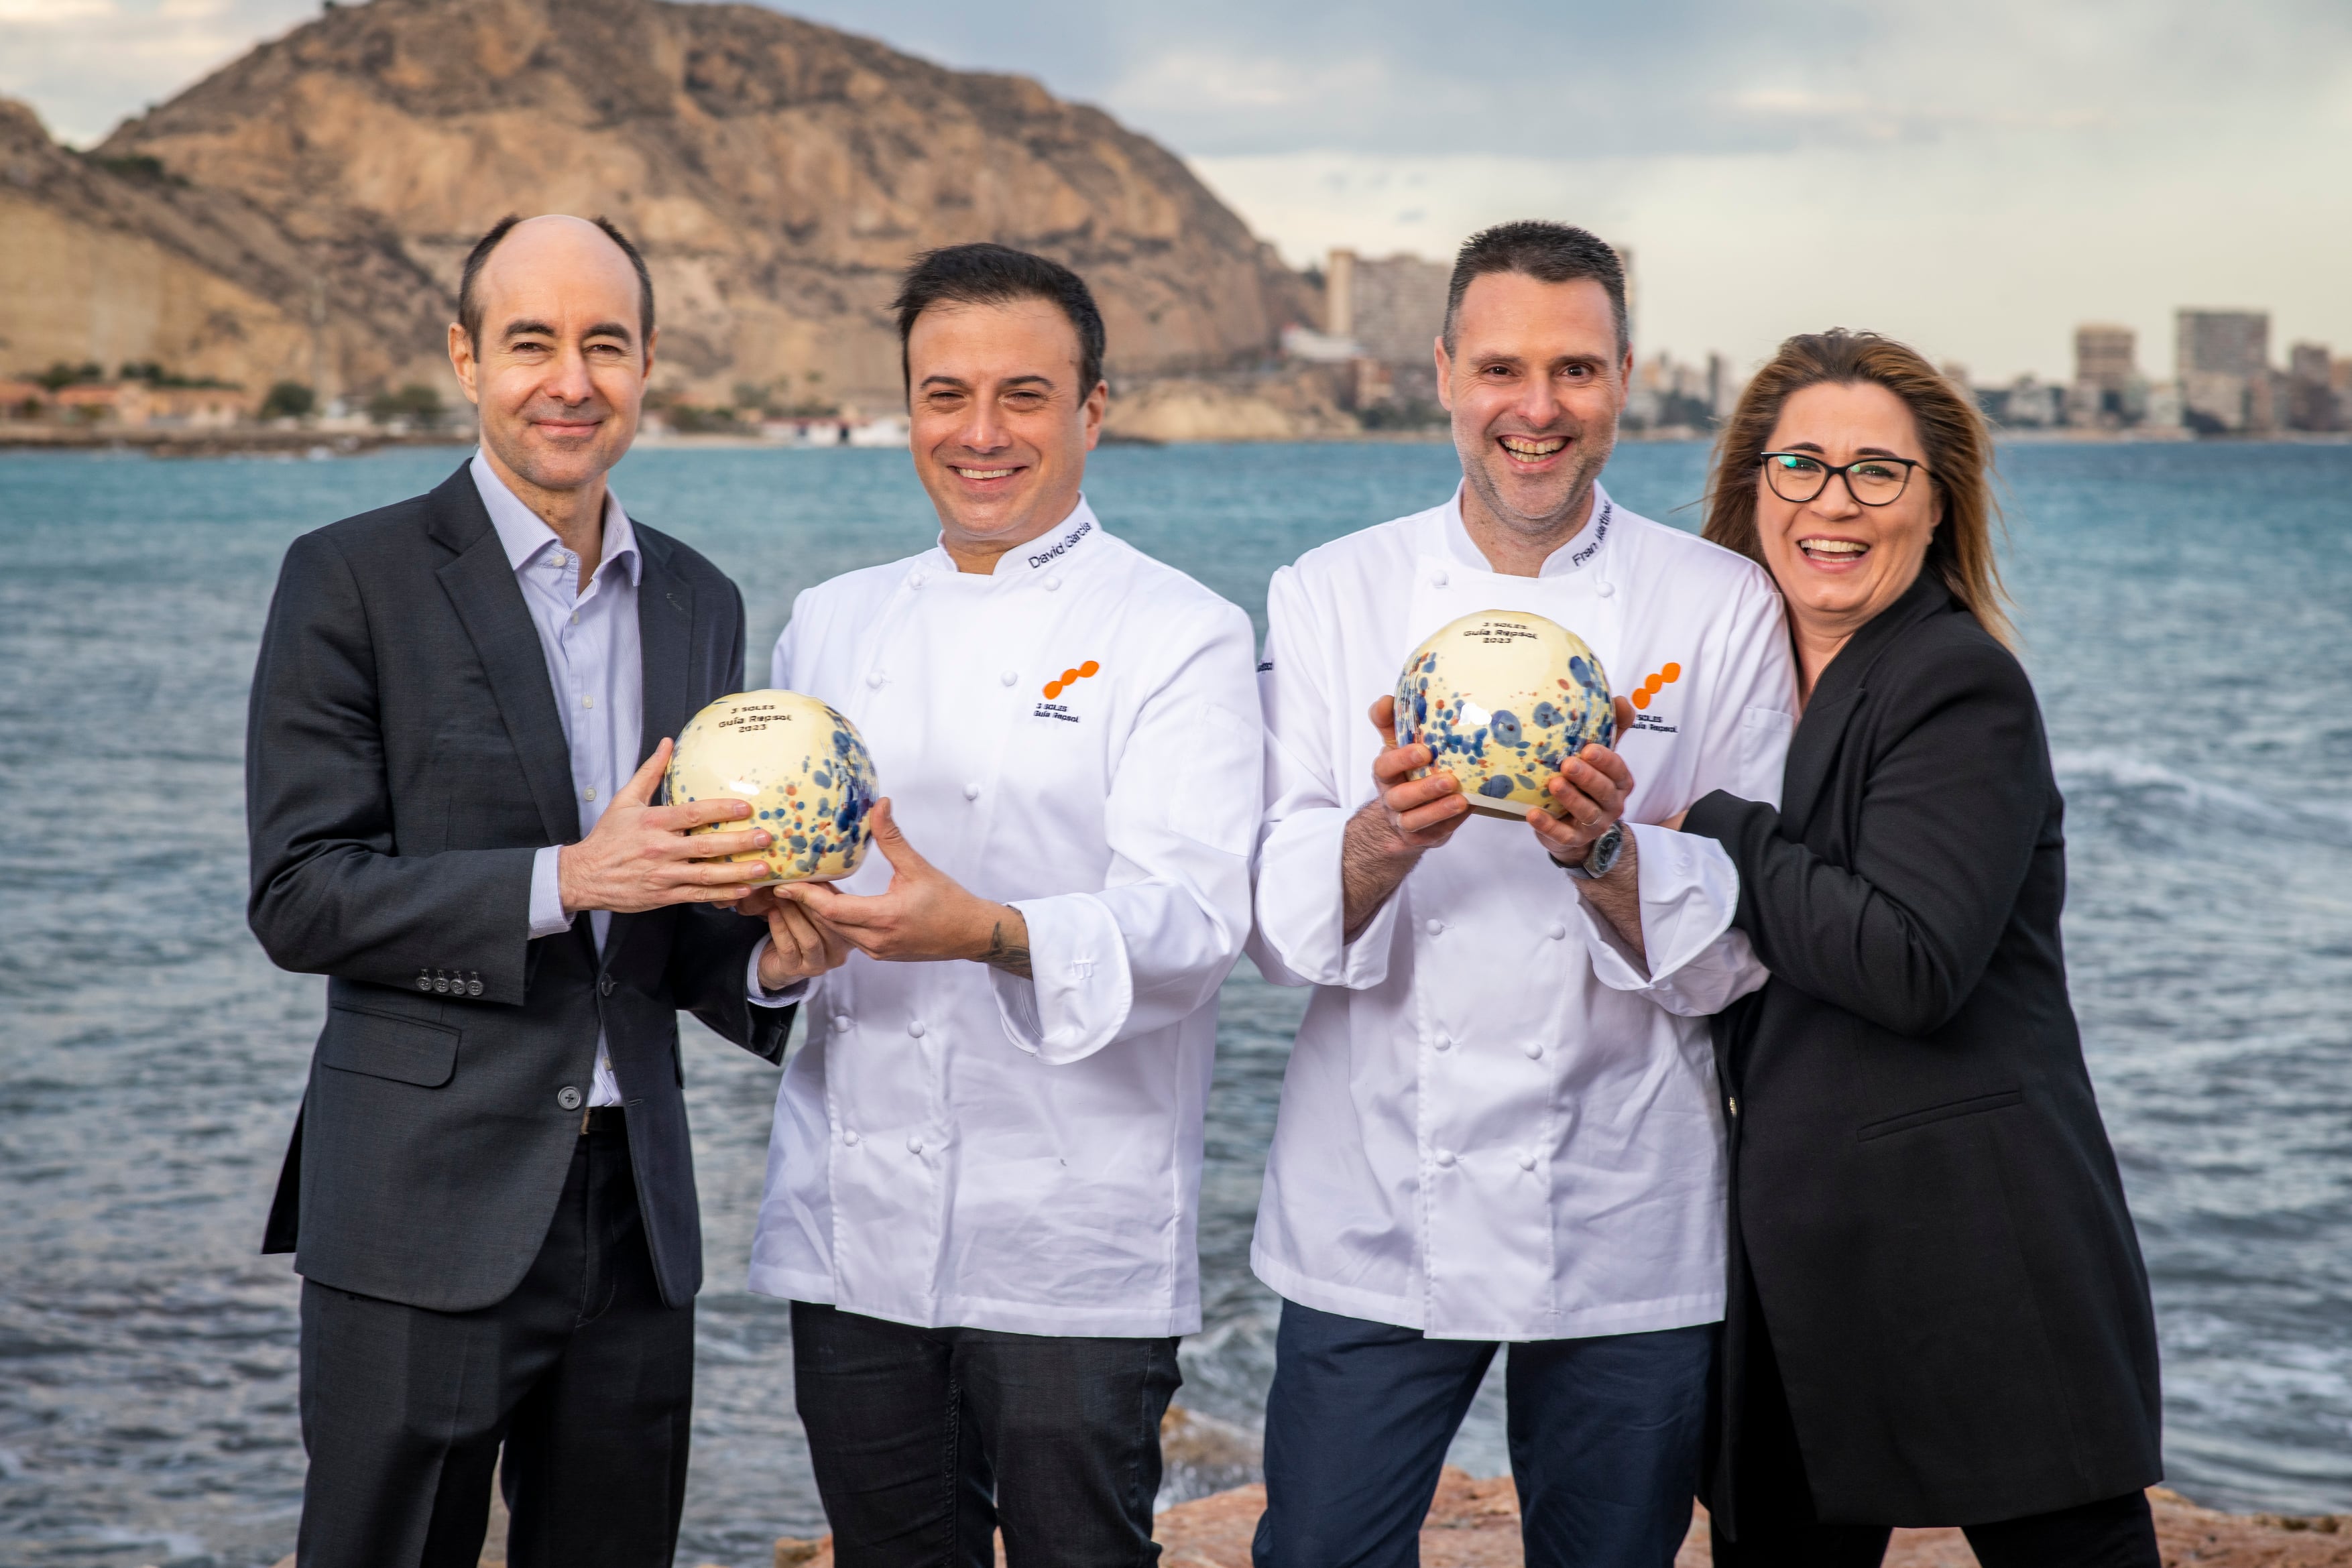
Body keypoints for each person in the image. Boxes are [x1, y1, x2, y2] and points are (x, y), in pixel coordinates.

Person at [246, 213, 842, 1568]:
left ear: (646, 368)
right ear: (466, 357)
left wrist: (766, 965)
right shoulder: (349, 578)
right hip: (418, 1208)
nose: (569, 380)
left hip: (636, 1225)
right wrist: (567, 876)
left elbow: (671, 917)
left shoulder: (698, 597)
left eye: (605, 346)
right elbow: (300, 896)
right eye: (531, 342)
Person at [1246, 220, 1800, 1568]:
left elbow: (1750, 934)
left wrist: (1603, 856)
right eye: (1500, 368)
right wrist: (1385, 837)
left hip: (1621, 1193)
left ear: (1625, 377)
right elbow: (1266, 917)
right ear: (1441, 372)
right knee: (1315, 1553)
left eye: (1573, 370)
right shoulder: (1329, 593)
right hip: (1374, 1189)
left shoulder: (1718, 604)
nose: (1534, 409)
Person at [740, 243, 1263, 1566]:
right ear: (906, 408)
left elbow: (1194, 926)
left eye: (1023, 395)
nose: (980, 434)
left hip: (1069, 1230)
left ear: (1092, 411)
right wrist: (775, 941)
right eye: (944, 394)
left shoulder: (1177, 632)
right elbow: (792, 877)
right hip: (851, 1225)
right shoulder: (829, 623)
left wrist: (985, 928)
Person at [1678, 329, 2163, 1566]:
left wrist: (1718, 836)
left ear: (1937, 505)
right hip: (1794, 1257)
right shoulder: (1740, 692)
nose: (1833, 503)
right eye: (1800, 467)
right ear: (1751, 491)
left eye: (1877, 473)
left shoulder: (1958, 684)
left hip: (1974, 1248)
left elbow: (1911, 961)